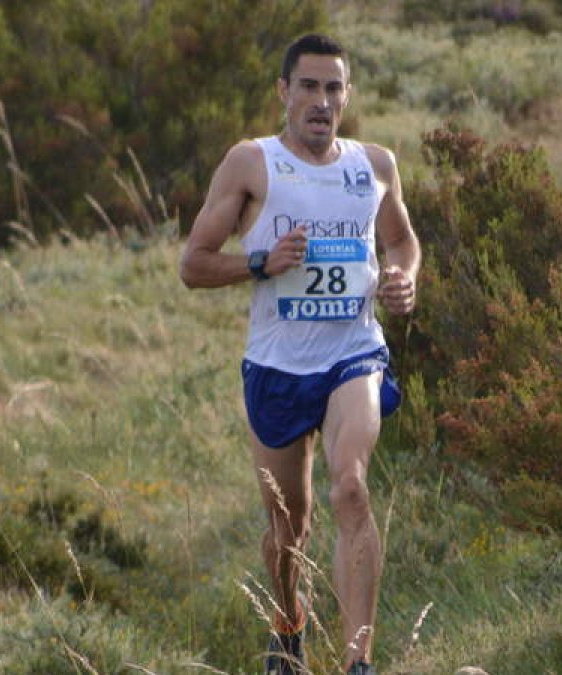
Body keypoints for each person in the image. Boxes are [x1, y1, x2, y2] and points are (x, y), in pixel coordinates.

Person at [179, 33, 420, 675]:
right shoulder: (250, 164)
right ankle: (288, 634)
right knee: (289, 530)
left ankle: (357, 663)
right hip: (278, 366)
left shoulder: (374, 165)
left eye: (333, 88)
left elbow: (401, 241)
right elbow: (193, 266)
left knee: (350, 488)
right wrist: (261, 262)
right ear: (284, 92)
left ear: (348, 95)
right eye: (309, 86)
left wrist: (403, 278)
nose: (321, 101)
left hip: (353, 354)